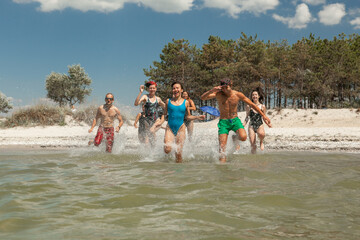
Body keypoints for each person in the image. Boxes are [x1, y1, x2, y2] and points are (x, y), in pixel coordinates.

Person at [200, 78, 272, 163]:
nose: (224, 89)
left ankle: (235, 137)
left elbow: (252, 104)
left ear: (231, 85)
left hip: (235, 120)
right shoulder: (218, 94)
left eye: (226, 87)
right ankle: (222, 168)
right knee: (222, 147)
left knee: (243, 137)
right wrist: (212, 90)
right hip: (223, 122)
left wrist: (263, 115)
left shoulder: (238, 94)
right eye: (222, 88)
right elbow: (203, 98)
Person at [156, 82, 205, 163]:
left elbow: (187, 116)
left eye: (177, 88)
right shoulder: (168, 101)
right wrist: (160, 122)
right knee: (167, 149)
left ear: (181, 90)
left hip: (181, 128)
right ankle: (169, 155)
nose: (175, 90)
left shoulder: (186, 102)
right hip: (170, 128)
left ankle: (178, 172)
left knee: (178, 153)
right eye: (174, 88)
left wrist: (197, 117)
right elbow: (164, 114)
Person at [134, 81, 165, 146]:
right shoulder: (145, 97)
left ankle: (154, 148)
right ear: (148, 89)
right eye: (150, 88)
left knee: (151, 131)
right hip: (147, 121)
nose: (152, 89)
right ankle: (151, 152)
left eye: (153, 88)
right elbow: (136, 104)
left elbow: (166, 107)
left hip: (156, 120)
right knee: (146, 141)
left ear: (156, 89)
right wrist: (140, 92)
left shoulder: (158, 99)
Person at [244, 88, 268, 154]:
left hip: (259, 124)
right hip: (251, 125)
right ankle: (253, 160)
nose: (254, 96)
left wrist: (268, 123)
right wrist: (243, 124)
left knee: (262, 134)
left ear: (258, 96)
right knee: (253, 145)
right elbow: (247, 117)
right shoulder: (248, 106)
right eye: (253, 95)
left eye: (256, 95)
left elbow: (264, 116)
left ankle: (261, 141)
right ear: (251, 97)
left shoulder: (262, 106)